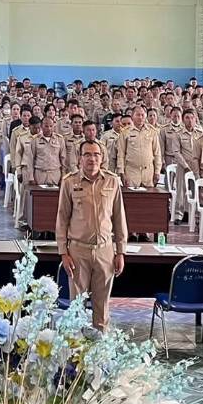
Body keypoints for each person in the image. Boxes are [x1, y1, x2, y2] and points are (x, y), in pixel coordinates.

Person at [56, 139, 126, 331]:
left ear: (102, 158)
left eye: (96, 154)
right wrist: (63, 252)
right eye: (87, 154)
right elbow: (62, 219)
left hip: (105, 251)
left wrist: (121, 252)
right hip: (78, 251)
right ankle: (76, 348)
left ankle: (100, 347)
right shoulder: (69, 182)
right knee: (76, 307)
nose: (92, 159)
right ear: (80, 158)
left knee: (102, 308)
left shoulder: (112, 181)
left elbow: (119, 218)